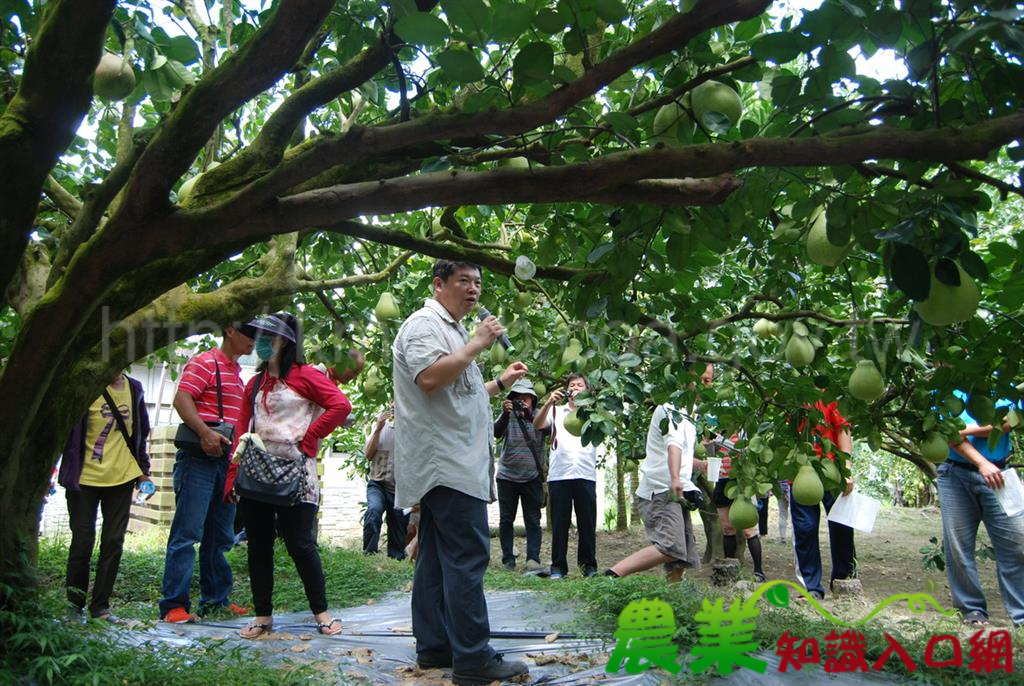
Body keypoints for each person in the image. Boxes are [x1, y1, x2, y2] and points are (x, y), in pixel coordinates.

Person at [392, 259, 530, 685]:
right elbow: (430, 379)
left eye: (478, 283)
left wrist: (500, 383)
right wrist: (477, 344)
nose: (474, 290)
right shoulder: (425, 325)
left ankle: (435, 648)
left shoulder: (451, 331)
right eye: (464, 281)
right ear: (439, 285)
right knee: (468, 558)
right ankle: (473, 659)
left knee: (434, 559)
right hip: (447, 464)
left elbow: (457, 394)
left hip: (453, 463)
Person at [225, 312, 352, 638]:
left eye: (269, 338)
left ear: (286, 342)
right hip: (256, 476)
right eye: (259, 337)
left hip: (297, 476)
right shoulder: (254, 384)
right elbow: (242, 429)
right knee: (259, 546)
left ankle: (322, 614)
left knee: (301, 545)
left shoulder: (307, 376)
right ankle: (262, 616)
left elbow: (340, 405)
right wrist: (232, 475)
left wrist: (310, 437)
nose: (261, 343)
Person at [159, 323, 254, 623]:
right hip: (199, 460)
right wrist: (204, 433)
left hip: (226, 463)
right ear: (229, 331)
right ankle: (175, 605)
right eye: (249, 333)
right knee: (187, 534)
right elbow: (182, 398)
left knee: (221, 535)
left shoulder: (239, 376)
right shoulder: (205, 361)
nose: (254, 340)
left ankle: (215, 600)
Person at [59, 371, 152, 622]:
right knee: (82, 541)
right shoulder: (84, 384)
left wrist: (144, 472)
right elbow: (66, 433)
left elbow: (140, 435)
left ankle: (100, 607)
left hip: (122, 477)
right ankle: (74, 605)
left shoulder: (135, 388)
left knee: (113, 542)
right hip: (84, 479)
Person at [937, 395, 1023, 627]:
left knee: (1017, 543)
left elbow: (1008, 422)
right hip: (954, 473)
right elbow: (944, 433)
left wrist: (963, 430)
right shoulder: (944, 389)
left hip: (1001, 473)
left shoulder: (1002, 383)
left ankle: (1021, 615)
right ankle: (971, 609)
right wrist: (981, 463)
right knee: (958, 546)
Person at [605, 402, 703, 581]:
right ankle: (611, 575)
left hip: (677, 490)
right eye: (704, 379)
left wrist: (701, 465)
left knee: (683, 554)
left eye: (710, 380)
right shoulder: (671, 408)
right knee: (670, 546)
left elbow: (682, 453)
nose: (708, 385)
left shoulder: (690, 413)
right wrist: (675, 479)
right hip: (661, 489)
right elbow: (673, 446)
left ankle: (673, 599)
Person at [534, 373, 599, 579]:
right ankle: (558, 567)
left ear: (588, 390)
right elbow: (537, 424)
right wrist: (548, 402)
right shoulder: (557, 411)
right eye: (572, 385)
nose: (576, 388)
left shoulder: (593, 414)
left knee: (587, 523)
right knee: (560, 524)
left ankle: (588, 566)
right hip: (559, 475)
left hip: (585, 474)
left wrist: (588, 404)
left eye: (581, 385)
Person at [790, 399, 856, 601]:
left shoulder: (829, 394)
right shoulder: (786, 394)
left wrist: (847, 469)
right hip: (800, 473)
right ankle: (811, 587)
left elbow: (843, 430)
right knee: (805, 529)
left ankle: (844, 581)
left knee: (842, 526)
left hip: (831, 472)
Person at [493, 379, 550, 573]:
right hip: (507, 476)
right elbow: (495, 432)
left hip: (532, 477)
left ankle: (533, 558)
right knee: (506, 520)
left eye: (525, 398)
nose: (521, 401)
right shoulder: (508, 416)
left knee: (533, 520)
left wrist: (527, 414)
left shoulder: (539, 416)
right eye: (517, 398)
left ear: (533, 399)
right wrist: (505, 413)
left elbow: (547, 430)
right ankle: (508, 559)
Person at [710, 435, 766, 582]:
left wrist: (723, 441)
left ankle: (759, 572)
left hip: (742, 480)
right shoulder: (715, 429)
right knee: (728, 528)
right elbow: (711, 456)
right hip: (722, 480)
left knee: (749, 530)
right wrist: (710, 446)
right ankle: (730, 570)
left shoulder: (744, 430)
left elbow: (749, 451)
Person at [362, 404, 410, 560]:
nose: (395, 411)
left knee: (399, 530)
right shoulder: (382, 429)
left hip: (400, 489)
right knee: (374, 511)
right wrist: (377, 428)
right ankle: (369, 554)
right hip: (378, 484)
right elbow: (368, 455)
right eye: (393, 408)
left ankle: (396, 558)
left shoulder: (414, 431)